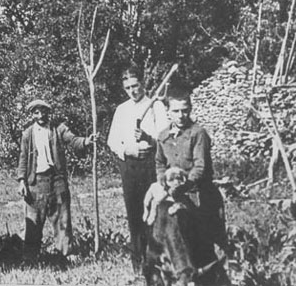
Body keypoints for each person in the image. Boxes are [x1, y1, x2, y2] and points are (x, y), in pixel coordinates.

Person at [155, 88, 228, 276]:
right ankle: (179, 271)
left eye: (185, 110)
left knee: (204, 248)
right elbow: (159, 163)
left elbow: (200, 168)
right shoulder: (163, 137)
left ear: (190, 109)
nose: (181, 116)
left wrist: (183, 185)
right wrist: (164, 180)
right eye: (176, 111)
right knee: (167, 230)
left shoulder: (198, 133)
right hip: (173, 194)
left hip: (198, 194)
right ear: (168, 112)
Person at [107, 67, 169, 270]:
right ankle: (138, 262)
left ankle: (156, 260)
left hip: (151, 164)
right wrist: (127, 150)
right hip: (130, 166)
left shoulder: (156, 106)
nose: (132, 91)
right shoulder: (122, 109)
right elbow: (112, 141)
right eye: (127, 88)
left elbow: (165, 138)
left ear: (142, 83)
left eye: (135, 85)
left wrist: (147, 138)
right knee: (134, 213)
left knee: (154, 210)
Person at [16, 99, 96, 258]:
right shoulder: (27, 134)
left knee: (62, 219)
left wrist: (86, 142)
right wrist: (21, 181)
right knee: (33, 221)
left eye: (43, 112)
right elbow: (23, 158)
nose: (40, 116)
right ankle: (31, 257)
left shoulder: (58, 129)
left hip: (57, 180)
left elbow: (73, 140)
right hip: (35, 183)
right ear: (32, 115)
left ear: (48, 113)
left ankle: (65, 254)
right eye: (36, 112)